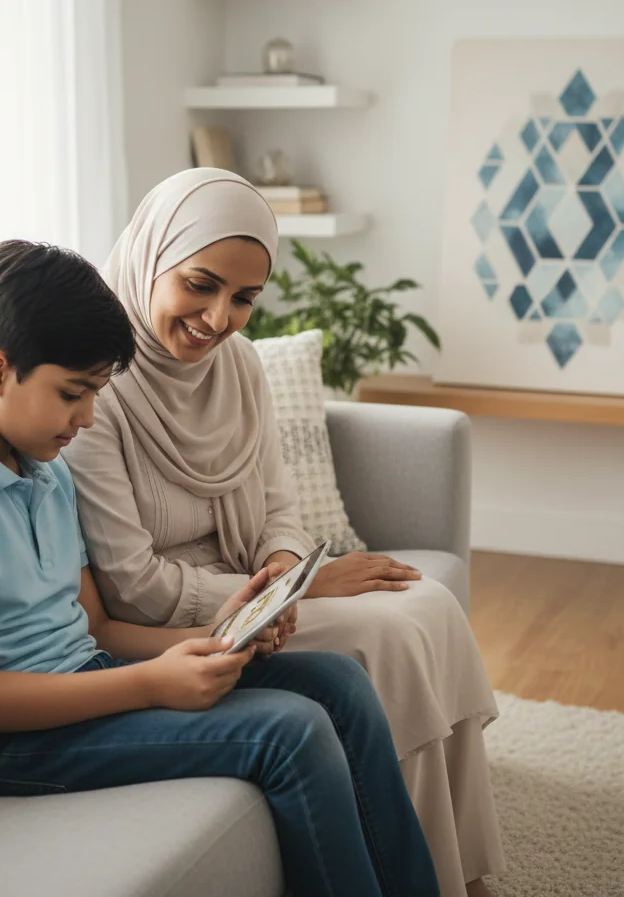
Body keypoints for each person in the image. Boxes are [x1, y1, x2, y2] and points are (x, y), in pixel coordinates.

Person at [0, 240, 440, 897]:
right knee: (288, 732)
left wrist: (212, 639)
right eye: (73, 394)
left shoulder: (43, 468)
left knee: (339, 682)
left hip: (80, 680)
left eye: (96, 394)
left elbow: (94, 627)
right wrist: (153, 685)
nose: (88, 418)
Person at [64, 169, 506, 897]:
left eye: (243, 298)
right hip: (192, 615)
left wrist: (287, 570)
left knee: (423, 603)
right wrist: (269, 591)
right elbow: (131, 583)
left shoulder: (238, 365)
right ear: (151, 258)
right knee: (388, 637)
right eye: (200, 285)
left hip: (260, 592)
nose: (219, 317)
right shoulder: (95, 386)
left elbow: (279, 508)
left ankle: (455, 870)